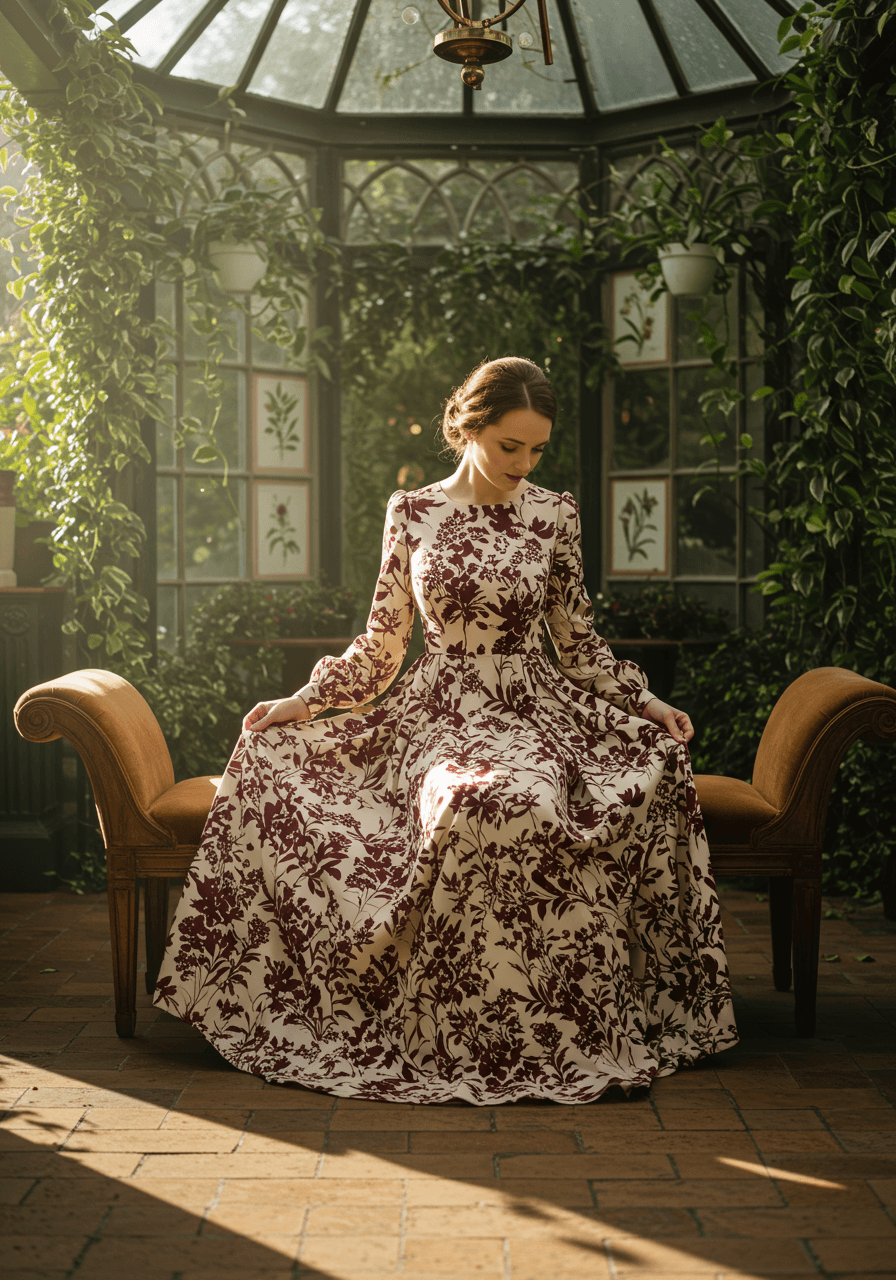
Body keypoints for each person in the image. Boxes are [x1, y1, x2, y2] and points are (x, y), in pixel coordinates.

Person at [154, 356, 738, 1104]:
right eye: (509, 448)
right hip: (435, 716)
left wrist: (647, 703)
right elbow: (383, 645)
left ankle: (547, 1033)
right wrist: (304, 700)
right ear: (468, 429)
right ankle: (445, 1031)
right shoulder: (414, 512)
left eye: (536, 450)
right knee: (458, 798)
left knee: (524, 801)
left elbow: (579, 641)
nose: (523, 465)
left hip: (535, 712)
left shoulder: (553, 514)